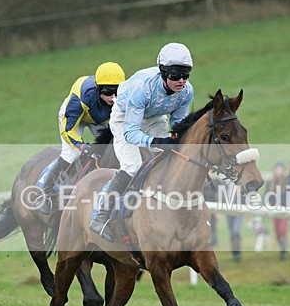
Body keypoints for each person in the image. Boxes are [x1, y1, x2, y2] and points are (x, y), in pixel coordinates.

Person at [89, 42, 194, 241]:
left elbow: (178, 126)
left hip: (154, 118)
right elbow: (131, 134)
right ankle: (100, 216)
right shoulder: (142, 89)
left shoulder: (187, 92)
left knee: (173, 156)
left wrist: (174, 140)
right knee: (132, 165)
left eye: (186, 75)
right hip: (124, 118)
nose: (181, 81)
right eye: (175, 75)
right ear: (163, 73)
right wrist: (157, 141)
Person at [38, 61, 126, 214]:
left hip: (98, 119)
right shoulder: (81, 98)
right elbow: (68, 131)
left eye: (117, 91)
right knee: (71, 154)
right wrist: (82, 146)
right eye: (107, 92)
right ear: (98, 89)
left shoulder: (124, 96)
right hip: (76, 119)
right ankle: (45, 193)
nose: (113, 98)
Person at [204, 178, 244, 262]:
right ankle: (234, 253)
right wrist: (220, 211)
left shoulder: (241, 183)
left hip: (239, 212)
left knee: (235, 231)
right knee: (231, 232)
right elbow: (220, 196)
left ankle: (237, 254)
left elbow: (246, 197)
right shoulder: (225, 184)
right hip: (228, 212)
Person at [264, 161, 290, 260]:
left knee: (282, 230)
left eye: (281, 169)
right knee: (277, 232)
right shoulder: (271, 182)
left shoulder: (287, 182)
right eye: (277, 169)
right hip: (274, 210)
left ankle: (283, 251)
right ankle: (282, 246)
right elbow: (266, 195)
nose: (279, 171)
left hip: (284, 211)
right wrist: (269, 205)